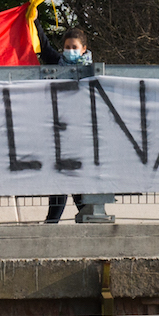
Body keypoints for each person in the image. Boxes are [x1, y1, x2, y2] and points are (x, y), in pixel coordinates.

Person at [46, 28, 97, 224]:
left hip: (82, 134)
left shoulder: (92, 71)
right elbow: (44, 47)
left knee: (72, 179)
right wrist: (33, 20)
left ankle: (54, 222)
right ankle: (82, 218)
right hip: (61, 133)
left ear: (84, 48)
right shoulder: (58, 64)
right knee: (64, 178)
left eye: (74, 47)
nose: (70, 51)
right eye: (67, 47)